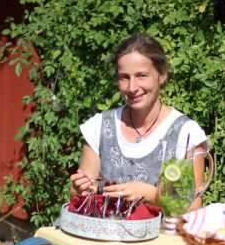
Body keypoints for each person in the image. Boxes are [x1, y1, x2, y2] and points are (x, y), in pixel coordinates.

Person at [70, 33, 209, 211]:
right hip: (103, 234)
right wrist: (78, 188)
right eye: (124, 77)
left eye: (142, 75)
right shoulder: (99, 126)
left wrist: (152, 195)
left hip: (160, 237)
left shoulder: (186, 132)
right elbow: (78, 197)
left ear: (162, 75)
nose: (132, 87)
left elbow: (194, 206)